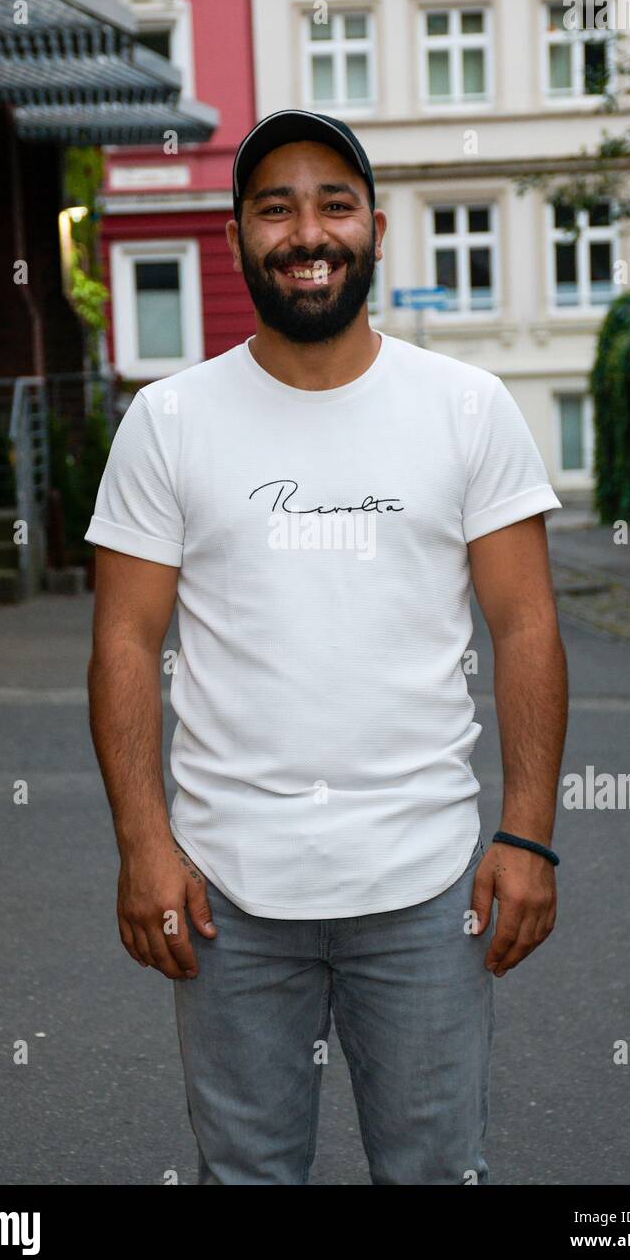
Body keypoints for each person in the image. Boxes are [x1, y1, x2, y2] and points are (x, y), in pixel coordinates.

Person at [85, 109, 569, 1186]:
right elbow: (124, 636)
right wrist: (141, 844)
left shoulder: (465, 408)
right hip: (227, 891)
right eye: (275, 208)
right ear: (236, 238)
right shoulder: (169, 420)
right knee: (246, 1175)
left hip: (425, 881)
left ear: (377, 228)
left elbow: (524, 623)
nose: (307, 232)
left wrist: (526, 837)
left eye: (333, 204)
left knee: (434, 1171)